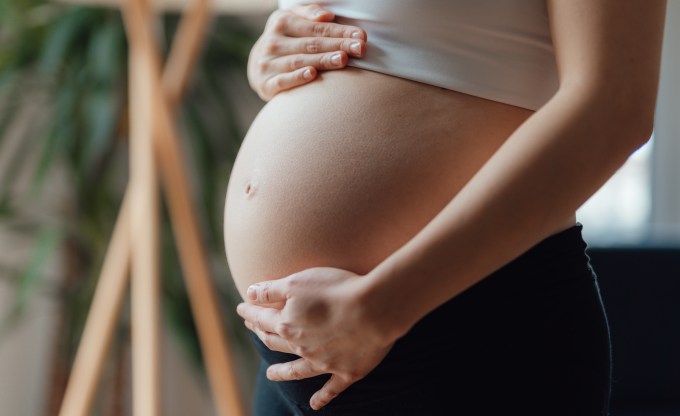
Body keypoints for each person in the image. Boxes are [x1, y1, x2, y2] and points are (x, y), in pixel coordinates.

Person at [226, 1, 667, 414]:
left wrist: (381, 308)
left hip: (465, 337)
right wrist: (268, 56)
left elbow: (615, 107)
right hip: (296, 351)